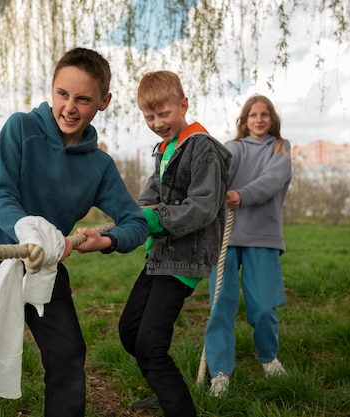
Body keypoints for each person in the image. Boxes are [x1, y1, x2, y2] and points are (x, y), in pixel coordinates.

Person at [0, 47, 149, 417]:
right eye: (63, 94)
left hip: (42, 264)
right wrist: (27, 230)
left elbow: (137, 222)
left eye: (83, 99)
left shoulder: (99, 166)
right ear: (52, 89)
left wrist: (106, 240)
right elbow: (1, 192)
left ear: (104, 101)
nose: (70, 107)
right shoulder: (21, 128)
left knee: (68, 354)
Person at [118, 70, 231, 417]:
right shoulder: (165, 150)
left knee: (150, 346)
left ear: (183, 105)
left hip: (185, 257)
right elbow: (148, 198)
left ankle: (176, 402)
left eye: (163, 114)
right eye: (149, 117)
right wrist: (127, 220)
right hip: (160, 256)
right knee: (130, 331)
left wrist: (153, 219)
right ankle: (167, 386)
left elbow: (203, 206)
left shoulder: (202, 148)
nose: (156, 122)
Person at [203, 94, 292, 398]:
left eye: (264, 114)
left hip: (263, 237)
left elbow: (272, 180)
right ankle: (220, 372)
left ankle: (268, 358)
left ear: (272, 119)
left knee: (265, 306)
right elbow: (217, 178)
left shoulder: (280, 148)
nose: (259, 119)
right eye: (253, 115)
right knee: (221, 305)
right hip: (227, 238)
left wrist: (241, 195)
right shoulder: (233, 148)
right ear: (244, 120)